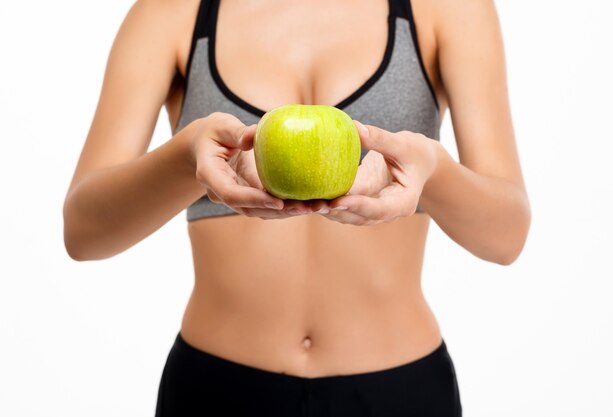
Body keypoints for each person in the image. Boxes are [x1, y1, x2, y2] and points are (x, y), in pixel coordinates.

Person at [63, 0, 530, 415]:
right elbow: (82, 232)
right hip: (217, 389)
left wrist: (433, 172)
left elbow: (506, 236)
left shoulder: (447, 7)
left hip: (400, 389)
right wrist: (188, 160)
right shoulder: (171, 12)